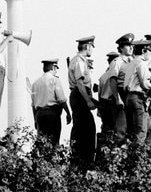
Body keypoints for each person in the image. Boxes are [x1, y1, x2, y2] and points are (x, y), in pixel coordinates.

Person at [98, 33, 134, 144]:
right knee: (120, 129)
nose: (131, 48)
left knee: (129, 129)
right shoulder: (117, 62)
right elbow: (113, 80)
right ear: (121, 48)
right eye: (128, 46)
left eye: (132, 45)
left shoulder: (131, 62)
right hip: (119, 96)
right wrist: (118, 98)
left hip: (128, 95)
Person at [68, 35, 97, 170]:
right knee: (83, 129)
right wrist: (88, 101)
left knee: (86, 129)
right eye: (92, 47)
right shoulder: (79, 62)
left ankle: (83, 160)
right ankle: (79, 161)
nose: (92, 50)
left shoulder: (79, 61)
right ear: (88, 46)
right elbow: (80, 84)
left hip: (80, 96)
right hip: (80, 96)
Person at [124, 39, 151, 144]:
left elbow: (150, 76)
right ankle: (138, 156)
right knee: (141, 130)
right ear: (144, 50)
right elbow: (145, 84)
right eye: (150, 52)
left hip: (130, 97)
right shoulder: (141, 63)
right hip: (137, 97)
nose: (150, 55)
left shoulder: (133, 62)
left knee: (146, 126)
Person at [31, 59, 71, 146]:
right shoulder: (54, 80)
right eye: (56, 68)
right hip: (52, 114)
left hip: (40, 115)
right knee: (54, 142)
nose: (56, 71)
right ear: (53, 67)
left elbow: (33, 105)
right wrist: (68, 112)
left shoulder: (35, 84)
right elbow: (61, 99)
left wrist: (35, 120)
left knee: (42, 143)